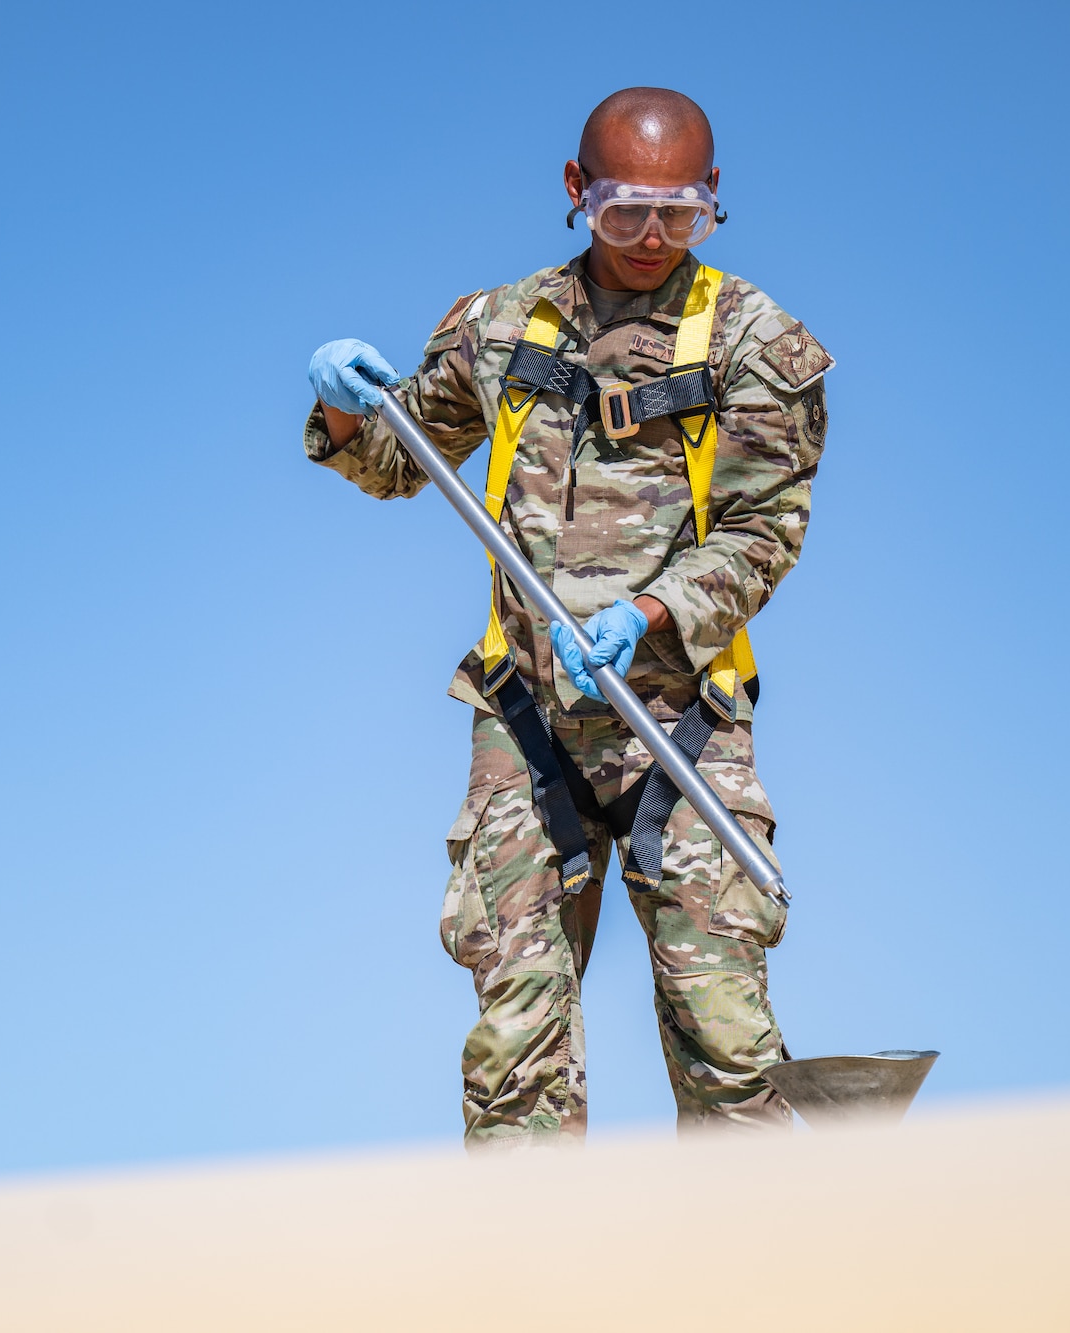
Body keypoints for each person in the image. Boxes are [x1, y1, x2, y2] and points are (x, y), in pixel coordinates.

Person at [303, 87, 833, 1149]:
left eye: (680, 213)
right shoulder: (500, 328)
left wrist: (650, 611)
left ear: (712, 197)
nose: (651, 237)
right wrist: (344, 406)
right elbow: (395, 464)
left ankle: (762, 1238)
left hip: (682, 719)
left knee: (725, 1039)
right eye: (625, 209)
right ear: (576, 190)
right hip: (525, 722)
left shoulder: (755, 343)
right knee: (515, 1055)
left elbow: (764, 529)